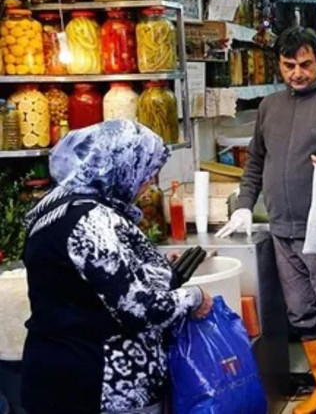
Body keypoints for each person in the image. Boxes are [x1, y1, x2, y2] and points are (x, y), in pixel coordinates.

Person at [216, 26, 316, 414]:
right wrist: (244, 203)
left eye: (305, 64)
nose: (297, 73)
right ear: (279, 64)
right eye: (289, 65)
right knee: (300, 311)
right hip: (281, 230)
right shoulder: (269, 107)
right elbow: (256, 161)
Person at [21, 120, 213, 414]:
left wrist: (157, 273)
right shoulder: (93, 220)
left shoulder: (55, 207)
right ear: (120, 166)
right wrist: (194, 297)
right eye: (146, 173)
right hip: (97, 382)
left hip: (56, 373)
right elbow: (140, 309)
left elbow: (88, 281)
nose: (148, 183)